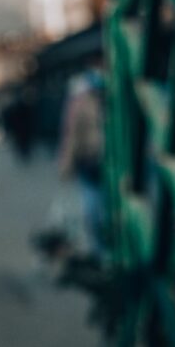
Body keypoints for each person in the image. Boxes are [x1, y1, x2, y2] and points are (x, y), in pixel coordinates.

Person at [59, 69, 106, 255]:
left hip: (92, 158)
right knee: (94, 205)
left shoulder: (79, 103)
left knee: (94, 205)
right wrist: (66, 164)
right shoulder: (87, 103)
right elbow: (71, 136)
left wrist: (66, 164)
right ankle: (99, 246)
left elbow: (70, 135)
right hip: (92, 159)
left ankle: (100, 246)